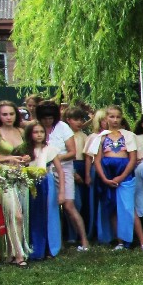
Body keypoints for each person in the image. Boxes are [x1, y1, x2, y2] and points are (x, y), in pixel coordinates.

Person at [37, 101, 90, 250]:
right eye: (45, 118)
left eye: (50, 118)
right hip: (42, 170)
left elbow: (72, 152)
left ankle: (84, 240)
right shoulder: (37, 127)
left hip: (64, 169)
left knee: (68, 206)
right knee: (49, 206)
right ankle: (54, 242)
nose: (48, 121)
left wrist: (54, 158)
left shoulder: (63, 127)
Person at [0, 102, 32, 266]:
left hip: (21, 175)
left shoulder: (21, 131)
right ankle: (19, 255)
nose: (8, 117)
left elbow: (28, 153)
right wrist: (6, 158)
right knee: (14, 214)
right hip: (3, 177)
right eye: (4, 114)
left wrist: (27, 158)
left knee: (21, 216)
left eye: (11, 114)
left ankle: (14, 253)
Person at [94, 105, 140, 249]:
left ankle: (132, 238)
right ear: (106, 118)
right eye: (111, 117)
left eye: (118, 117)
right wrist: (104, 178)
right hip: (108, 173)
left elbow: (132, 159)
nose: (115, 120)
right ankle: (119, 241)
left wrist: (122, 176)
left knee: (127, 207)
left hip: (123, 173)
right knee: (112, 207)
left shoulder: (128, 136)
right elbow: (97, 160)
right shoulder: (101, 137)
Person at [25, 121, 66, 260]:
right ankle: (34, 247)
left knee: (49, 215)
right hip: (30, 184)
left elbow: (60, 171)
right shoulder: (25, 150)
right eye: (35, 132)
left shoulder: (50, 149)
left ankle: (50, 248)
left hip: (46, 183)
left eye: (41, 132)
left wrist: (61, 192)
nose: (39, 135)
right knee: (33, 215)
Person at [66, 104, 96, 239]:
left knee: (84, 202)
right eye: (76, 119)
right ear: (68, 120)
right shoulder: (66, 135)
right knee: (74, 202)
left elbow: (88, 155)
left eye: (81, 119)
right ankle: (72, 234)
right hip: (71, 166)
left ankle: (85, 232)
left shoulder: (83, 135)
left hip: (84, 166)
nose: (79, 122)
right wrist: (74, 172)